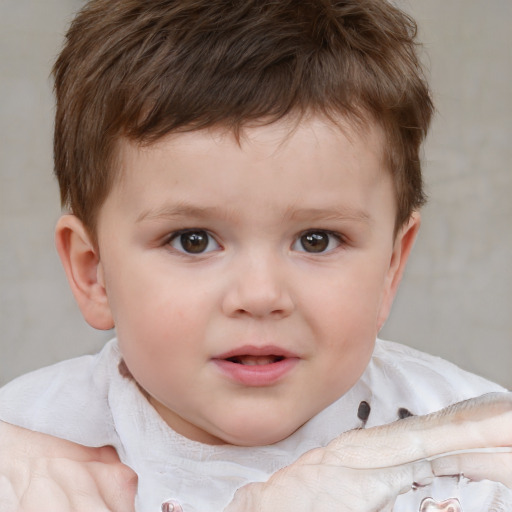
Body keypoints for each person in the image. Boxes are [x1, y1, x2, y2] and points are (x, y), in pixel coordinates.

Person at [0, 0, 510, 511]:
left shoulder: (477, 454)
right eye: (193, 240)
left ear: (390, 268)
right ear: (95, 273)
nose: (261, 295)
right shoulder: (27, 456)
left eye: (317, 239)